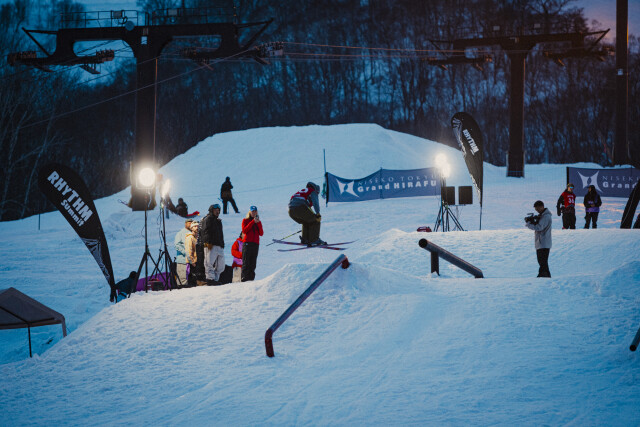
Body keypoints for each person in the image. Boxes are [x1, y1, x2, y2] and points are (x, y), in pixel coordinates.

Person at [288, 181, 325, 246]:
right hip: (300, 208)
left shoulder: (302, 192)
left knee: (307, 221)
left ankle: (305, 239)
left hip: (291, 211)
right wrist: (318, 214)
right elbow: (315, 202)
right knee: (316, 220)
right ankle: (314, 240)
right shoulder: (312, 191)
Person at [526, 200, 552, 278]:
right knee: (542, 261)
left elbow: (539, 227)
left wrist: (529, 224)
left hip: (543, 242)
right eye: (536, 209)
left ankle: (543, 275)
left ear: (542, 207)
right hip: (542, 242)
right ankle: (545, 276)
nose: (537, 211)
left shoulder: (546, 216)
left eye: (537, 209)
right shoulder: (543, 216)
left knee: (542, 261)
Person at [200, 204, 225, 285]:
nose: (217, 212)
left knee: (221, 266)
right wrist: (207, 243)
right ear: (211, 211)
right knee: (209, 263)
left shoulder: (218, 221)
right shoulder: (207, 219)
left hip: (219, 245)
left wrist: (222, 244)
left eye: (218, 210)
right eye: (215, 210)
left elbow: (221, 234)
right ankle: (210, 279)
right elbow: (204, 232)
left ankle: (216, 279)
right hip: (210, 244)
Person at [241, 206, 264, 282]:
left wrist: (258, 223)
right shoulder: (245, 220)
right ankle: (244, 278)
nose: (254, 213)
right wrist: (252, 222)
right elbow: (244, 230)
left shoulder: (258, 222)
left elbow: (261, 233)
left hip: (255, 244)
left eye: (255, 211)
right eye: (252, 211)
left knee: (253, 263)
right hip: (247, 243)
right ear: (250, 212)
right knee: (246, 262)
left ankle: (251, 279)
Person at [174, 218, 192, 287]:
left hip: (191, 261)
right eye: (189, 223)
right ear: (185, 224)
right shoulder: (180, 233)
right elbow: (177, 245)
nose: (190, 224)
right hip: (182, 260)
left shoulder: (193, 233)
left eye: (191, 223)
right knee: (182, 280)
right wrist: (185, 252)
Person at [185, 221, 199, 286]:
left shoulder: (197, 238)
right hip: (191, 262)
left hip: (196, 261)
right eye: (195, 226)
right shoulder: (190, 237)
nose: (197, 228)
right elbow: (188, 250)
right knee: (192, 280)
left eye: (198, 226)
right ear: (191, 228)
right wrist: (192, 262)